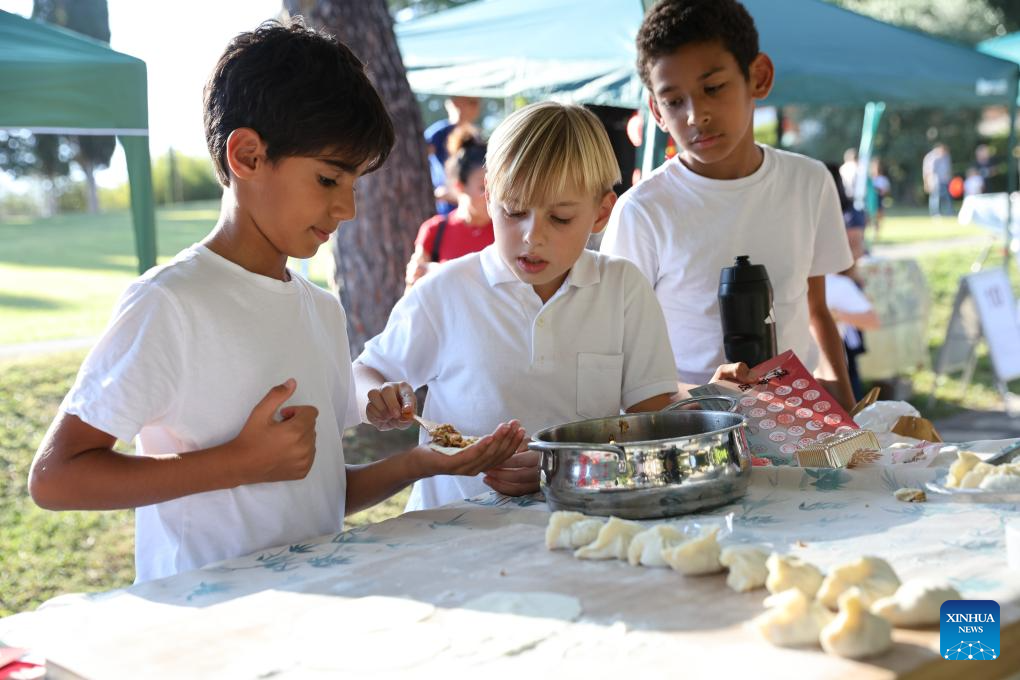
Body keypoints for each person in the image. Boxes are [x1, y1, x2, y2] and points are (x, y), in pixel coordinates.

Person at [27, 19, 525, 583]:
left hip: (311, 613)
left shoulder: (321, 310)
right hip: (204, 631)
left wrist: (417, 464)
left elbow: (319, 495)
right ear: (247, 156)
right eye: (328, 180)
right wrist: (236, 463)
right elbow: (56, 477)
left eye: (355, 184)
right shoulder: (169, 303)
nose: (348, 210)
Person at [355, 101, 748, 511]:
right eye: (514, 212)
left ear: (601, 212)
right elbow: (366, 372)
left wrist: (561, 464)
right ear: (489, 197)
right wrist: (376, 395)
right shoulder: (446, 291)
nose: (531, 236)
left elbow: (650, 423)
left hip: (577, 527)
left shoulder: (623, 289)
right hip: (449, 534)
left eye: (559, 218)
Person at [600, 0, 856, 411]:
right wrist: (703, 396)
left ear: (759, 76)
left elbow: (816, 309)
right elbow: (615, 357)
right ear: (656, 111)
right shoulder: (642, 212)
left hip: (801, 431)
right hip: (692, 443)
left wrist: (846, 409)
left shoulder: (809, 182)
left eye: (713, 88)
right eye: (674, 101)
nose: (696, 115)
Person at [405, 128, 492, 292]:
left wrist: (438, 271)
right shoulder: (434, 230)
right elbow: (412, 294)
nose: (491, 196)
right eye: (482, 188)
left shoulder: (507, 230)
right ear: (460, 186)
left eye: (497, 187)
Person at [424, 96, 483, 215]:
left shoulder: (476, 134)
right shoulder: (439, 132)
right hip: (447, 208)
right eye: (472, 102)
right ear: (454, 103)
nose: (477, 107)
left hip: (473, 205)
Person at [922, 142, 953, 217]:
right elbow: (928, 171)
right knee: (935, 197)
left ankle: (949, 213)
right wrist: (927, 183)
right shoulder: (931, 157)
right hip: (934, 181)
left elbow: (948, 169)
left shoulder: (946, 156)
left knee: (947, 197)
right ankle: (935, 213)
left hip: (945, 180)